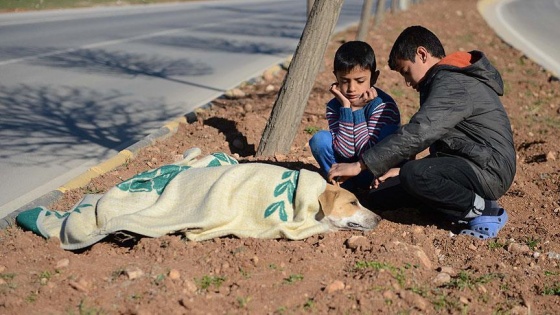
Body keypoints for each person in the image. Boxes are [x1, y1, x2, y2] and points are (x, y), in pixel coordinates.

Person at [327, 26, 516, 240]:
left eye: (406, 72)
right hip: (468, 164)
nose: (408, 83)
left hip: (488, 170)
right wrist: (400, 171)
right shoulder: (441, 81)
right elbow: (452, 146)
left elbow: (420, 132)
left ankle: (486, 211)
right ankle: (455, 206)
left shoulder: (453, 83)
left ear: (422, 54)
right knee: (380, 198)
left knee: (416, 175)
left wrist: (360, 165)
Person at [309, 41, 400, 192]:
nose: (351, 89)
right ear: (336, 78)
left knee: (387, 135)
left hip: (373, 171)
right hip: (344, 170)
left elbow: (368, 152)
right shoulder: (335, 105)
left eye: (360, 81)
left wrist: (357, 110)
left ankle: (372, 190)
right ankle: (341, 186)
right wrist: (346, 108)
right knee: (320, 140)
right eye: (344, 81)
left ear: (374, 77)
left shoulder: (383, 106)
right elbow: (346, 152)